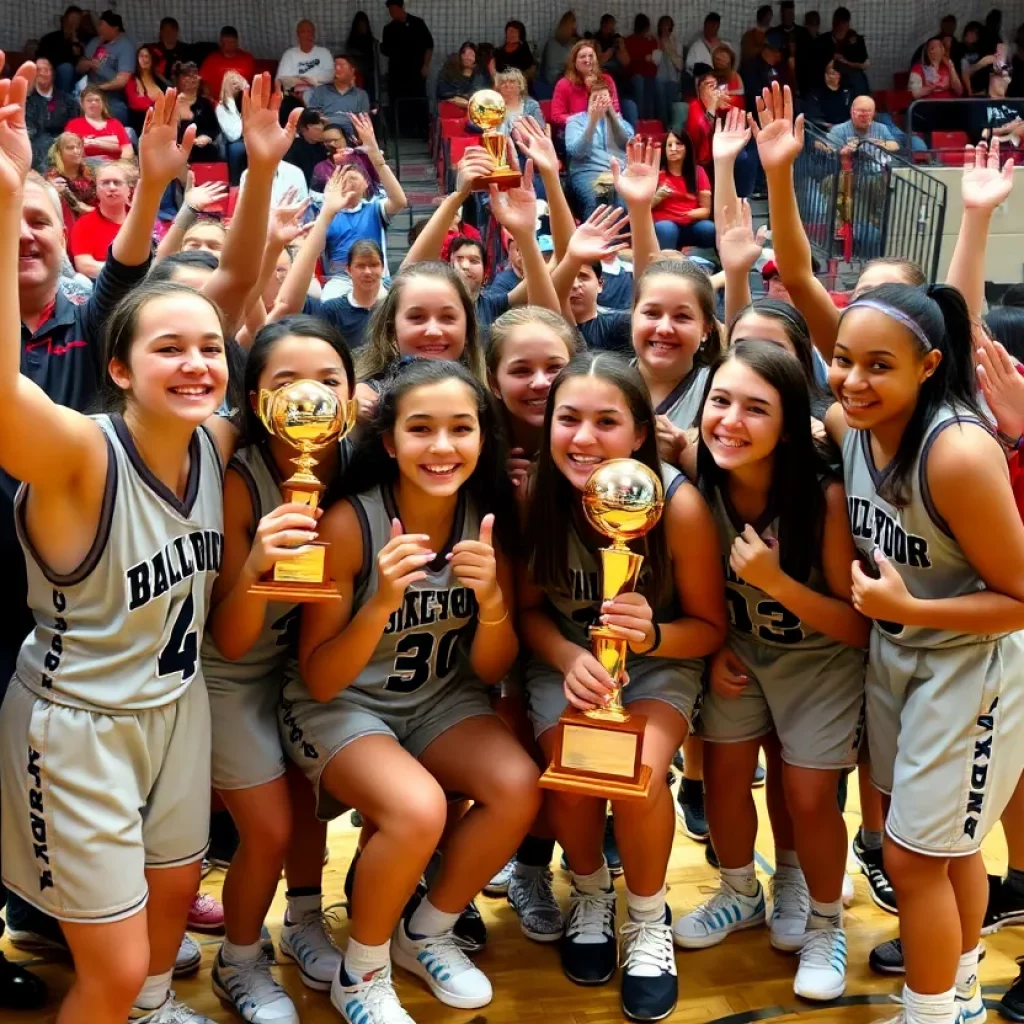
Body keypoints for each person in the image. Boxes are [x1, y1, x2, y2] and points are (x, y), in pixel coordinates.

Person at [0, 68, 246, 1024]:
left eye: (209, 352)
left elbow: (236, 287)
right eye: (168, 350)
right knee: (99, 971)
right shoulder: (75, 450)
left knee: (164, 923)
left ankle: (147, 1009)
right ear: (116, 367)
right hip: (81, 723)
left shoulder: (217, 440)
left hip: (176, 709)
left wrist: (259, 170)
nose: (196, 364)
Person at [282, 357, 538, 1022]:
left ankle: (421, 933)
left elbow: (488, 669)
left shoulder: (486, 520)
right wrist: (379, 603)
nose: (443, 446)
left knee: (518, 785)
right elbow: (320, 674)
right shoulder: (348, 523)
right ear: (390, 441)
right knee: (420, 808)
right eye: (421, 429)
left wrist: (489, 602)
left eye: (461, 428)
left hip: (437, 698)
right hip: (341, 704)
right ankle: (359, 973)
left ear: (483, 437)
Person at [828, 279, 1024, 1024]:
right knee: (946, 849)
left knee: (912, 859)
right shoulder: (851, 430)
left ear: (928, 364)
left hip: (972, 666)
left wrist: (913, 607)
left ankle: (933, 1013)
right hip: (901, 652)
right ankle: (963, 986)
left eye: (879, 365)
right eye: (844, 361)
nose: (853, 380)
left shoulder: (959, 453)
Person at [519, 352, 726, 1020]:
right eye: (568, 419)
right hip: (567, 663)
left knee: (636, 775)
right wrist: (562, 655)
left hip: (660, 663)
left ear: (641, 431)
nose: (583, 438)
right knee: (575, 774)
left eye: (606, 421)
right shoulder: (537, 500)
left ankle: (645, 916)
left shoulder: (680, 505)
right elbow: (525, 611)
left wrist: (654, 638)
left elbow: (709, 627)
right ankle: (589, 894)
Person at [673, 341, 867, 1004]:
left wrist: (775, 581)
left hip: (821, 659)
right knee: (724, 775)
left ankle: (823, 921)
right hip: (740, 654)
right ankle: (738, 893)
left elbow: (856, 624)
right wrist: (716, 642)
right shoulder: (700, 466)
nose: (729, 419)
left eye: (756, 408)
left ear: (789, 426)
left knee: (809, 796)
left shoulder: (823, 497)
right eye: (720, 401)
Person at [204, 316, 356, 1024]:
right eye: (286, 384)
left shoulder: (359, 460)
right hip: (233, 673)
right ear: (257, 399)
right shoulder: (244, 477)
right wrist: (263, 563)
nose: (309, 399)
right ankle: (238, 960)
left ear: (353, 396)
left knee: (308, 802)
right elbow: (230, 641)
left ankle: (301, 921)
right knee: (264, 828)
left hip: (309, 669)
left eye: (328, 381)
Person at [321, 114, 406, 299]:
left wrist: (375, 155)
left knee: (388, 303)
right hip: (340, 279)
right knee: (328, 300)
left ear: (366, 184)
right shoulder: (326, 213)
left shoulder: (375, 208)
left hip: (376, 277)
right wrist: (328, 207)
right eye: (343, 178)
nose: (348, 182)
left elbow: (400, 201)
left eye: (353, 177)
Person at [565, 80, 633, 220]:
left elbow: (628, 144)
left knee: (624, 202)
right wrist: (592, 122)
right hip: (587, 172)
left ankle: (625, 240)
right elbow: (576, 152)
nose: (600, 102)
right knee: (600, 201)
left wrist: (613, 114)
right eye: (596, 98)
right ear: (588, 100)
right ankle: (596, 240)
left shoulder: (620, 121)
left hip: (618, 173)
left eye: (604, 98)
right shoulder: (575, 121)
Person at [651, 131, 715, 250]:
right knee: (667, 229)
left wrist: (687, 215)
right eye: (669, 145)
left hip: (691, 223)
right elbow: (643, 209)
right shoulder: (656, 174)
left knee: (709, 229)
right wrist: (657, 197)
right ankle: (666, 265)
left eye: (678, 144)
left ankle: (708, 263)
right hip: (664, 223)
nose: (673, 149)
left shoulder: (698, 172)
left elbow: (706, 211)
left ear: (687, 148)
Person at [380, 0, 434, 139]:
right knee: (396, 102)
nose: (392, 14)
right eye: (390, 11)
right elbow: (385, 50)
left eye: (394, 10)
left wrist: (426, 65)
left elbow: (429, 46)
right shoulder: (388, 28)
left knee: (418, 100)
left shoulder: (417, 23)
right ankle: (399, 133)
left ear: (402, 7)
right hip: (397, 73)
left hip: (416, 71)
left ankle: (422, 132)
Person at [70, 158, 132, 278]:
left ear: (128, 190)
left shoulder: (144, 221)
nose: (112, 187)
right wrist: (127, 272)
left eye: (117, 182)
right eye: (105, 183)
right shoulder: (83, 225)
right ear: (97, 191)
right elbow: (84, 266)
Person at [77, 9, 135, 125]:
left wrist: (99, 88)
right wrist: (88, 64)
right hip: (88, 91)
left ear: (115, 28)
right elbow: (78, 68)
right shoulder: (95, 41)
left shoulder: (126, 46)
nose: (99, 28)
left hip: (112, 96)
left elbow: (122, 80)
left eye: (102, 25)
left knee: (118, 111)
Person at [551, 40, 627, 127]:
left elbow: (616, 111)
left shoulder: (607, 80)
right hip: (575, 131)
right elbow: (556, 116)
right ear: (574, 61)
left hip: (604, 129)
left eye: (591, 56)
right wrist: (583, 121)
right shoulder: (563, 84)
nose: (587, 60)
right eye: (582, 57)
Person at [26, 57, 77, 172]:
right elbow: (29, 130)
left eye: (46, 70)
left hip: (63, 142)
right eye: (38, 70)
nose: (42, 73)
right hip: (36, 145)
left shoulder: (68, 101)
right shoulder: (27, 100)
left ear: (53, 74)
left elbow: (74, 126)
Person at [305, 54, 371, 140]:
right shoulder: (320, 91)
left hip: (350, 135)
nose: (337, 68)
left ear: (352, 70)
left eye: (342, 65)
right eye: (335, 66)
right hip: (325, 132)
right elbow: (312, 114)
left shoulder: (361, 94)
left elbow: (363, 120)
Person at [65, 85, 133, 163]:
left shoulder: (115, 123)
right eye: (89, 100)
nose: (94, 103)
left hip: (116, 166)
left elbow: (127, 150)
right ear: (82, 104)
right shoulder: (74, 125)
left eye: (97, 100)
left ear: (103, 103)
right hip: (87, 167)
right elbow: (70, 152)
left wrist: (121, 164)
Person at [815, 7, 870, 96]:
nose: (841, 27)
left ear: (848, 24)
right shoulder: (822, 41)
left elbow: (865, 63)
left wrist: (847, 62)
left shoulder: (857, 40)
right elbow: (816, 63)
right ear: (833, 23)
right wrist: (832, 57)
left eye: (844, 23)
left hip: (852, 82)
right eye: (838, 23)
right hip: (829, 83)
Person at [174, 62, 221, 165]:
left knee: (211, 151)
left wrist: (207, 137)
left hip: (202, 148)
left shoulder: (205, 103)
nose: (192, 79)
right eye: (187, 76)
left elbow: (214, 129)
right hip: (177, 150)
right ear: (179, 79)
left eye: (194, 75)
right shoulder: (171, 102)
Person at [277, 19, 335, 103]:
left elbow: (330, 76)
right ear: (298, 36)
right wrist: (313, 81)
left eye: (310, 31)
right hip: (295, 97)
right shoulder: (289, 54)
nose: (308, 35)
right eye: (303, 32)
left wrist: (305, 79)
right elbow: (284, 80)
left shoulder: (324, 52)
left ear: (314, 35)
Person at [828, 95, 900, 157]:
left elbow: (895, 146)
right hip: (849, 171)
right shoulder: (838, 130)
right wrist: (842, 151)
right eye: (860, 114)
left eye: (868, 113)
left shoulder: (881, 128)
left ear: (873, 113)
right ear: (851, 112)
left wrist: (881, 145)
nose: (864, 117)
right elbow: (827, 150)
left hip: (877, 170)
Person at [45, 131, 95, 219]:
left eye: (78, 147)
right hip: (71, 220)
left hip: (93, 214)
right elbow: (79, 207)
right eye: (70, 148)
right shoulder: (54, 176)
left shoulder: (89, 170)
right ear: (59, 152)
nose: (76, 151)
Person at [971, 65, 1024, 146]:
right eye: (1002, 76)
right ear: (990, 77)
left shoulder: (1015, 104)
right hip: (993, 147)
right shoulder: (979, 103)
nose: (1006, 81)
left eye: (1008, 78)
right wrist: (1007, 128)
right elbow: (984, 134)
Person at [200, 26, 256, 101]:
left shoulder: (247, 59)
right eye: (224, 43)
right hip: (216, 102)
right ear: (220, 42)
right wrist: (211, 101)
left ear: (237, 42)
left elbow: (253, 84)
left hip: (240, 102)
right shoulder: (211, 59)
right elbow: (203, 83)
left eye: (230, 43)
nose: (227, 46)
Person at [38, 5, 84, 94]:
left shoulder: (79, 41)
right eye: (72, 19)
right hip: (55, 75)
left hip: (75, 77)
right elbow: (43, 58)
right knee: (66, 68)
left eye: (77, 20)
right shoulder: (50, 38)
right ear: (64, 20)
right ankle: (62, 102)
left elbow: (79, 62)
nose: (73, 23)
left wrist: (75, 43)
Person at [125, 45, 169, 136]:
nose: (144, 59)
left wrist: (151, 48)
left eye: (147, 56)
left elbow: (162, 58)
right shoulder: (132, 80)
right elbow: (136, 104)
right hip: (143, 128)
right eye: (141, 56)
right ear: (136, 59)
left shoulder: (159, 79)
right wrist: (142, 95)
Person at [625, 15, 660, 121]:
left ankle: (651, 120)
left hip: (649, 74)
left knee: (655, 83)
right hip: (635, 74)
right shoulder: (629, 40)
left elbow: (656, 59)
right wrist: (643, 58)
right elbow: (629, 62)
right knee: (639, 81)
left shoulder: (652, 41)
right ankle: (640, 120)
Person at [216, 71, 247, 185]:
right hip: (234, 141)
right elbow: (233, 135)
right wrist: (243, 116)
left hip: (251, 137)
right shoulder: (222, 107)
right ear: (226, 86)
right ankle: (234, 186)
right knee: (237, 149)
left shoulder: (246, 100)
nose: (236, 87)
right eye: (233, 84)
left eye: (238, 83)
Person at [436, 43, 489, 109]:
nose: (467, 57)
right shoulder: (449, 70)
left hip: (473, 109)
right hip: (450, 108)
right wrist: (458, 98)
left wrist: (465, 100)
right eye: (464, 53)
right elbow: (442, 91)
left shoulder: (481, 74)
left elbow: (481, 95)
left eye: (471, 54)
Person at [494, 68, 544, 136]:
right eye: (503, 82)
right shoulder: (493, 105)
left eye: (511, 82)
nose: (507, 85)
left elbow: (540, 128)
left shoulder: (531, 105)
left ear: (520, 86)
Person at [284, 109, 327, 186]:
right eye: (318, 128)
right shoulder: (292, 148)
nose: (323, 131)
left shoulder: (326, 146)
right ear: (304, 128)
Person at [804, 60, 852, 128]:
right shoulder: (815, 94)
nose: (837, 75)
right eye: (833, 73)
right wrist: (830, 126)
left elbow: (853, 112)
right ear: (826, 75)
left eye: (838, 72)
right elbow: (813, 117)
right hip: (824, 132)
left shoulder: (847, 92)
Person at [655, 17, 683, 128]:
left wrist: (669, 47)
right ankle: (663, 127)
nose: (666, 27)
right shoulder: (655, 40)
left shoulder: (676, 42)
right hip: (658, 77)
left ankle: (672, 128)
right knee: (661, 105)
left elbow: (680, 65)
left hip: (673, 78)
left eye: (668, 25)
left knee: (672, 105)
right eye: (663, 25)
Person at [540, 11, 579, 93]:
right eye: (573, 26)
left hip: (567, 73)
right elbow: (552, 65)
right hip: (555, 76)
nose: (575, 28)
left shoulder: (572, 43)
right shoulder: (552, 44)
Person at [346, 11, 379, 105]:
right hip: (358, 75)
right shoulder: (352, 41)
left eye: (364, 24)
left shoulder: (371, 40)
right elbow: (350, 56)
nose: (363, 27)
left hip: (370, 74)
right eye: (361, 24)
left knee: (370, 98)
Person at [149, 16, 193, 81]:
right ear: (161, 32)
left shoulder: (186, 50)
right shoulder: (152, 50)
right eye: (165, 30)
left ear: (177, 31)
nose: (169, 34)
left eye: (172, 30)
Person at [712, 45, 746, 110]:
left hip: (736, 114)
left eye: (724, 59)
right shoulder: (710, 79)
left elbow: (742, 95)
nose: (721, 62)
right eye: (718, 59)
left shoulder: (736, 76)